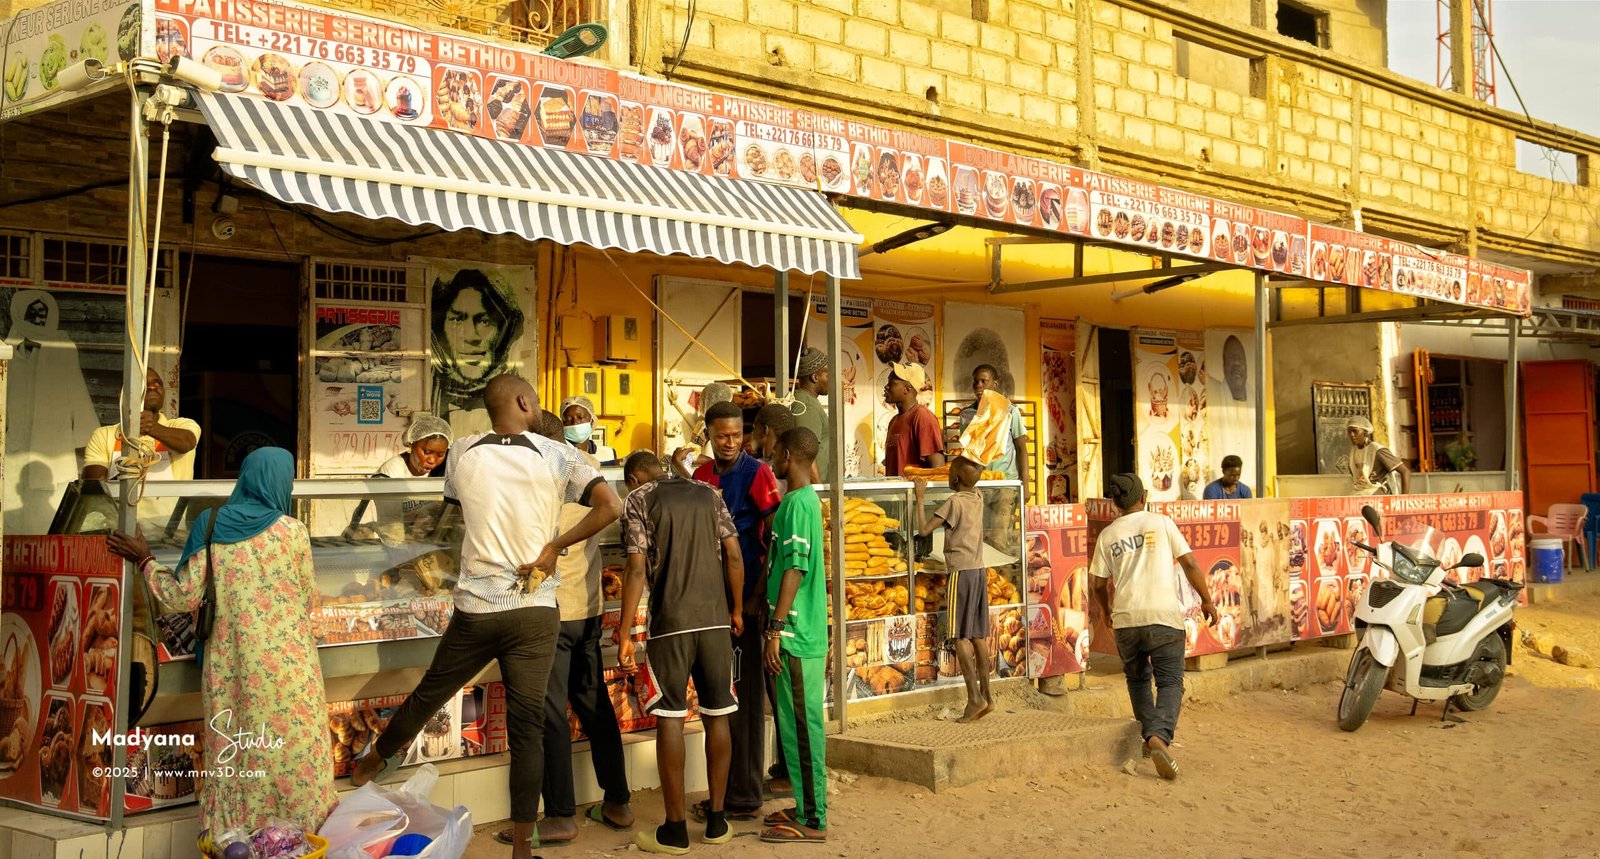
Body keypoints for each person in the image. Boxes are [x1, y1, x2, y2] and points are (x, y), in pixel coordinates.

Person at [351, 375, 621, 859]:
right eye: (535, 400)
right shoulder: (559, 455)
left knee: (431, 689)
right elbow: (610, 506)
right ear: (523, 401)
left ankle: (376, 758)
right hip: (536, 610)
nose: (538, 406)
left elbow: (455, 514)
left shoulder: (462, 451)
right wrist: (554, 546)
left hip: (477, 607)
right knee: (528, 729)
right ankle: (521, 846)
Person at [105, 448, 337, 837]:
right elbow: (308, 600)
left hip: (233, 668)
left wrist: (146, 561)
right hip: (293, 671)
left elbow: (182, 597)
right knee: (294, 756)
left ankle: (238, 839)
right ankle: (296, 839)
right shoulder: (294, 532)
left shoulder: (210, 525)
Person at [492, 410, 634, 846]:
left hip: (549, 609)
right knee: (594, 704)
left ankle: (559, 815)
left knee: (550, 713)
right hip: (587, 607)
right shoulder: (587, 469)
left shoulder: (539, 473)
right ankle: (618, 800)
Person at [616, 450, 743, 854]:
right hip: (716, 620)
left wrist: (623, 633)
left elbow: (635, 568)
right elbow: (734, 554)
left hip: (670, 623)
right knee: (717, 712)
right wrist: (736, 608)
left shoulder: (639, 499)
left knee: (670, 716)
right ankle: (718, 822)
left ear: (636, 478)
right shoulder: (709, 493)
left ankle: (673, 831)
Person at [1088, 473, 1218, 781]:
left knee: (1137, 681)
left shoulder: (1108, 535)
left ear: (1114, 504)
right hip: (1163, 618)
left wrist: (1107, 612)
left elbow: (1096, 583)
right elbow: (1189, 564)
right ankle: (1159, 736)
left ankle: (1150, 737)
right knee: (1171, 682)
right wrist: (1207, 599)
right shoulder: (1160, 523)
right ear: (1143, 497)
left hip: (1126, 621)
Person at [690, 400, 781, 821]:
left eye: (736, 436)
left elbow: (774, 537)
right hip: (711, 600)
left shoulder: (757, 472)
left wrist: (753, 601)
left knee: (744, 699)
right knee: (719, 697)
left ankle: (744, 793)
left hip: (747, 601)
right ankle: (724, 793)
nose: (729, 443)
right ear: (707, 432)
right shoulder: (701, 475)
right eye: (721, 436)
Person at [760, 428, 829, 844]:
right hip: (793, 634)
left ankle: (815, 819)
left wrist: (775, 628)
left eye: (772, 454)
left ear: (788, 455)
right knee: (792, 724)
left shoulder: (800, 505)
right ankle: (804, 805)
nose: (769, 460)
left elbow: (794, 568)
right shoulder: (796, 502)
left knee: (804, 727)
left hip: (797, 636)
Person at [4, 290, 102, 535]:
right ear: (20, 313)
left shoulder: (62, 349)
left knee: (46, 524)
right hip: (12, 454)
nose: (38, 320)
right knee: (10, 524)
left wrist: (90, 446)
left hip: (51, 455)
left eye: (42, 314)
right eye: (33, 313)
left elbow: (78, 396)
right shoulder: (6, 353)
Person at [913, 457, 993, 723]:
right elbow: (974, 473)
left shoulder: (954, 502)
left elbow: (924, 530)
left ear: (955, 479)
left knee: (959, 636)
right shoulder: (977, 497)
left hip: (960, 572)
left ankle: (973, 700)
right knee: (978, 635)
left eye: (950, 473)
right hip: (979, 572)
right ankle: (988, 696)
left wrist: (920, 497)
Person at [431, 269, 525, 436]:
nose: (470, 336)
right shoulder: (429, 384)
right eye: (457, 319)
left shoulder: (518, 394)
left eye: (484, 321)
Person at [82, 368, 200, 483]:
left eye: (157, 382)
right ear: (123, 396)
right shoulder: (105, 435)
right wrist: (125, 473)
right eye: (143, 383)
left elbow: (187, 443)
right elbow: (95, 486)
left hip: (173, 504)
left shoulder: (182, 425)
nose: (153, 387)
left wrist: (152, 427)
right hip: (121, 503)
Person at [361, 414, 451, 547]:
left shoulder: (443, 470)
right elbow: (393, 532)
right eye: (426, 452)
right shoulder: (389, 475)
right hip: (398, 547)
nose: (432, 461)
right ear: (411, 445)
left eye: (440, 455)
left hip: (428, 542)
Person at [957, 364, 1030, 499]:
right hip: (977, 483)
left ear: (995, 383)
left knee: (1000, 521)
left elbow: (1021, 449)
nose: (978, 385)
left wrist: (1025, 484)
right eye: (975, 381)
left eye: (984, 381)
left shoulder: (1010, 411)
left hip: (1005, 483)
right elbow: (966, 452)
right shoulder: (966, 415)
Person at [882, 362, 945, 477]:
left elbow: (938, 468)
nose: (886, 387)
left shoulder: (923, 417)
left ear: (907, 389)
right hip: (897, 493)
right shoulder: (894, 421)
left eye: (892, 383)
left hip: (913, 494)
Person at [792, 347, 832, 481]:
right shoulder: (807, 405)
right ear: (815, 377)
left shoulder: (808, 400)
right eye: (828, 375)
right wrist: (818, 492)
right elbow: (805, 452)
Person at [1346, 416, 1410, 495]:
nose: (1352, 435)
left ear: (1365, 432)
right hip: (1360, 491)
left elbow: (1405, 471)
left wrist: (1404, 499)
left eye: (1355, 431)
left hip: (1378, 491)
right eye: (1349, 432)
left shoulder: (1377, 450)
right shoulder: (1353, 452)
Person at [562, 394, 619, 465]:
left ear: (591, 421)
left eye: (580, 417)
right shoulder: (557, 453)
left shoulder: (608, 453)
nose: (575, 422)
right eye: (568, 419)